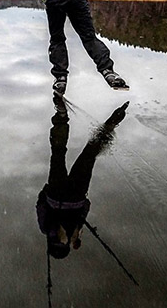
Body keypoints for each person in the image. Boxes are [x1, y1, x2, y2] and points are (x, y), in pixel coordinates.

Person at [36, 94, 129, 259]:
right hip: (55, 192)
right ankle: (61, 117)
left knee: (89, 154)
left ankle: (111, 125)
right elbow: (41, 203)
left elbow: (86, 205)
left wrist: (76, 224)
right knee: (58, 152)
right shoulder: (46, 229)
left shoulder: (75, 232)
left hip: (77, 195)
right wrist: (47, 191)